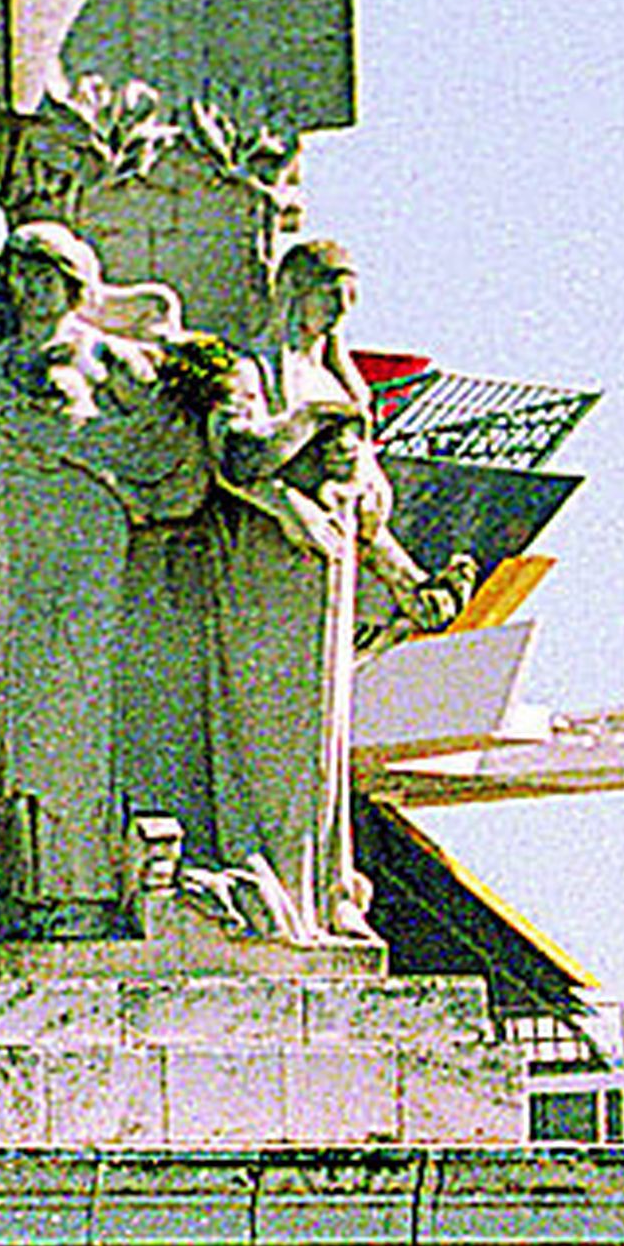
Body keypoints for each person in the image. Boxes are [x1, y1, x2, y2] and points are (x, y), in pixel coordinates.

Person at [0, 220, 205, 921]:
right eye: (20, 275)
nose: (31, 288)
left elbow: (169, 431)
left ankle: (82, 887)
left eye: (45, 274)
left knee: (73, 707)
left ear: (74, 282)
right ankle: (31, 884)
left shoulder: (104, 354)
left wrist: (90, 453)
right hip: (3, 550)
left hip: (80, 544)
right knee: (15, 715)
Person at [205, 239, 473, 943]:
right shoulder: (251, 370)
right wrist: (304, 448)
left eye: (345, 306)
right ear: (297, 292)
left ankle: (325, 892)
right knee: (270, 736)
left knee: (322, 747)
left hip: (329, 583)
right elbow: (235, 458)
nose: (335, 317)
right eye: (328, 299)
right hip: (263, 580)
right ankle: (265, 876)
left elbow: (362, 508)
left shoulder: (343, 384)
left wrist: (411, 584)